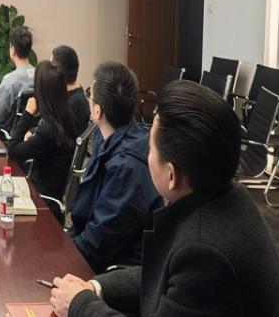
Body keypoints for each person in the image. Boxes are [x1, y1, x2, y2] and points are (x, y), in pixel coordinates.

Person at [50, 80, 279, 317]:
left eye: (150, 149)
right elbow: (160, 274)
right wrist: (95, 287)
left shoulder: (204, 253)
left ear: (171, 175)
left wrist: (80, 305)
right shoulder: (227, 194)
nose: (145, 154)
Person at [68, 62, 160, 273]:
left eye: (90, 94)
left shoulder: (127, 167)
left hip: (110, 270)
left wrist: (62, 253)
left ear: (97, 112)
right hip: (93, 247)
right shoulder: (110, 136)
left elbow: (96, 245)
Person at [7, 60, 80, 220]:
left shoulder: (49, 130)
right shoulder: (66, 116)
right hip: (48, 192)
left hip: (42, 201)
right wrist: (34, 131)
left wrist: (27, 113)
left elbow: (12, 149)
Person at [0, 27, 35, 136]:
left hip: (13, 137)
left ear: (12, 50)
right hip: (35, 134)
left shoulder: (10, 80)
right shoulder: (41, 75)